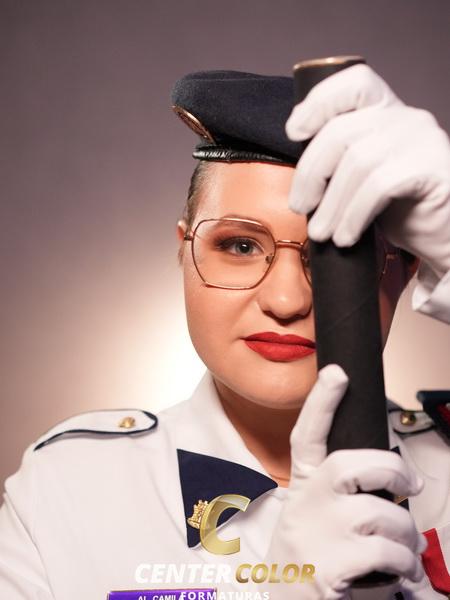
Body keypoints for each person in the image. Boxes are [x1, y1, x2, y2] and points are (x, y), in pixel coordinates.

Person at [0, 62, 449, 600]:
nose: (286, 300)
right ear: (185, 250)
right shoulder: (65, 491)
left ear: (408, 268)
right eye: (240, 245)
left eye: (338, 257)